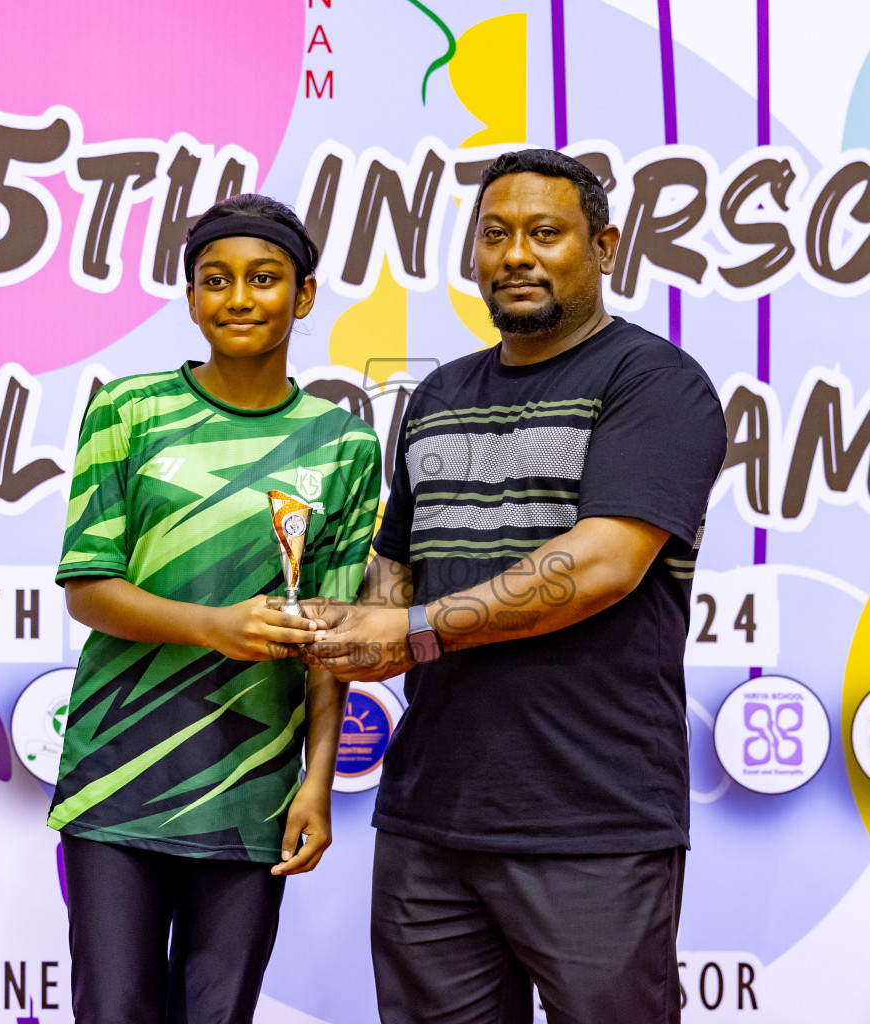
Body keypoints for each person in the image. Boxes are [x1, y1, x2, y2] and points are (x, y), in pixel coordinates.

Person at [306, 149, 728, 1024]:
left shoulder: (654, 383)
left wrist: (412, 629)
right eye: (495, 235)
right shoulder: (437, 394)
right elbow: (398, 569)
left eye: (546, 233)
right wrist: (346, 626)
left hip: (593, 817)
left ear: (603, 246)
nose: (516, 256)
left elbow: (603, 564)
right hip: (431, 814)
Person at [49, 192, 382, 1024]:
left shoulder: (343, 442)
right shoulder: (130, 409)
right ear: (191, 296)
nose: (239, 298)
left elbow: (331, 638)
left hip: (251, 785)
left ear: (303, 296)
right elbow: (89, 587)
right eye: (216, 279)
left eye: (265, 278)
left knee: (218, 1013)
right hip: (118, 777)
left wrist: (315, 784)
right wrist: (214, 628)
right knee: (114, 1011)